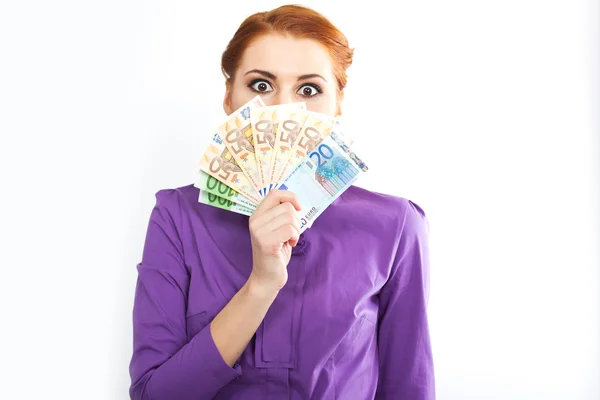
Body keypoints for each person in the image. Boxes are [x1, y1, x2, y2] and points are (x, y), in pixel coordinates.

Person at [128, 4, 435, 399]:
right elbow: (153, 395)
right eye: (260, 85)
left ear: (337, 105)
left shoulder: (395, 225)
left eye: (309, 90)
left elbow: (408, 387)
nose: (282, 110)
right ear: (229, 97)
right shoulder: (177, 217)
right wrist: (261, 284)